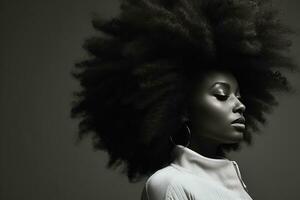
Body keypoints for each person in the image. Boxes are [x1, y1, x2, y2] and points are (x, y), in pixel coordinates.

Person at [70, 0, 298, 199]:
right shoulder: (170, 185)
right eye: (221, 95)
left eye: (239, 96)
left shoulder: (236, 187)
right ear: (184, 109)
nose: (240, 105)